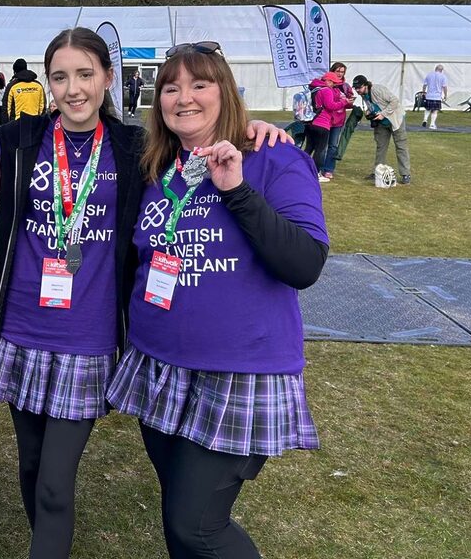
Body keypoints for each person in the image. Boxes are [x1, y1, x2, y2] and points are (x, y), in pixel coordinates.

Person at [0, 30, 288, 559]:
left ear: (107, 77)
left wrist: (256, 128)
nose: (73, 89)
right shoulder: (16, 141)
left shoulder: (136, 148)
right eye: (60, 76)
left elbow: (198, 139)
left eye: (85, 74)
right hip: (21, 332)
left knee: (56, 483)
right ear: (46, 82)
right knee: (32, 471)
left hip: (89, 336)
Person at [106, 41, 329, 559]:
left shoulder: (272, 156)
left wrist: (237, 190)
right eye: (171, 87)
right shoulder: (158, 166)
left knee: (197, 526)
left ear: (224, 91)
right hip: (159, 365)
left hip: (237, 371)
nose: (184, 98)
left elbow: (305, 265)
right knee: (179, 517)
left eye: (199, 84)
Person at [352, 74, 412, 185]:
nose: (357, 90)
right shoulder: (363, 94)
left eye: (359, 87)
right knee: (381, 147)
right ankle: (378, 172)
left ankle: (405, 174)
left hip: (395, 120)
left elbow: (395, 101)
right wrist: (370, 112)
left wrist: (383, 114)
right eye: (356, 88)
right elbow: (374, 105)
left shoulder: (378, 89)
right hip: (381, 123)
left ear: (366, 85)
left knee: (401, 146)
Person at [304, 71, 347, 182]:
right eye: (332, 82)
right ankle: (315, 173)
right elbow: (330, 106)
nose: (334, 85)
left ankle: (301, 169)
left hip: (310, 122)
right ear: (327, 81)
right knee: (320, 149)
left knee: (309, 148)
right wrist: (343, 102)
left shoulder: (314, 88)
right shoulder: (326, 90)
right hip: (322, 123)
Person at [330, 62, 361, 163]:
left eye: (342, 72)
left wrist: (350, 102)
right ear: (332, 71)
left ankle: (328, 169)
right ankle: (318, 168)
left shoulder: (346, 86)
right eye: (337, 71)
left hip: (338, 120)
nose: (339, 74)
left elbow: (347, 104)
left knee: (333, 145)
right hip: (327, 119)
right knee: (322, 146)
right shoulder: (327, 85)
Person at [422, 64, 447, 129]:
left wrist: (423, 92)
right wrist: (445, 95)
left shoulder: (429, 75)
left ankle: (425, 119)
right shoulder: (443, 76)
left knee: (427, 109)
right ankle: (432, 124)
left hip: (429, 95)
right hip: (437, 96)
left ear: (435, 69)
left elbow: (424, 85)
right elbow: (444, 87)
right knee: (435, 111)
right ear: (441, 70)